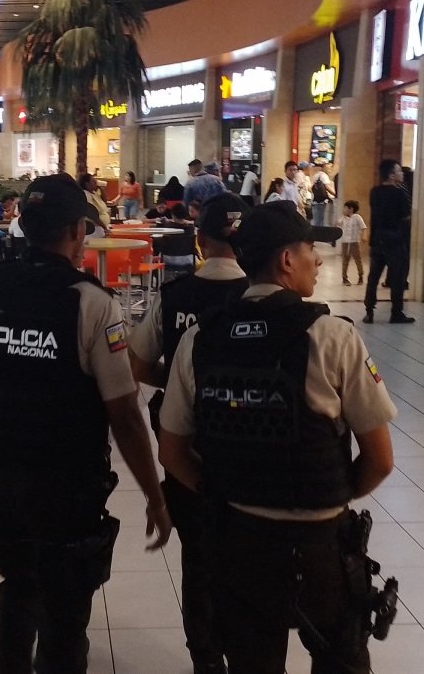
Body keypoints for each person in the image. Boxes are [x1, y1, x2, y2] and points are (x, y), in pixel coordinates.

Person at [0, 173, 171, 673]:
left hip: (0, 486)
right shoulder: (93, 303)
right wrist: (154, 494)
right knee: (65, 613)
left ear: (23, 226)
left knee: (17, 591)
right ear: (78, 230)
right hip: (68, 491)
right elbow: (123, 413)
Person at [158, 202, 397, 673]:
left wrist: (224, 490)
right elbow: (380, 460)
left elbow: (172, 450)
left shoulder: (201, 339)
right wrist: (327, 489)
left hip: (241, 546)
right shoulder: (332, 337)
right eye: (311, 249)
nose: (319, 259)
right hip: (321, 550)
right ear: (287, 260)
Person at [128, 193, 250, 674]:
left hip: (184, 446)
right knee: (247, 555)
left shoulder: (176, 297)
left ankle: (206, 660)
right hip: (248, 446)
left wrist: (178, 383)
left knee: (197, 559)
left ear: (199, 241)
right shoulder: (262, 297)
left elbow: (136, 365)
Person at [364, 160, 415, 324]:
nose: (402, 174)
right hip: (395, 241)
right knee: (398, 279)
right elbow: (406, 216)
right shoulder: (400, 193)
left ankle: (369, 311)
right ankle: (396, 313)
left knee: (373, 278)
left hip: (377, 240)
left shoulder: (374, 192)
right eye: (399, 171)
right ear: (392, 175)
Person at [339, 200, 366, 286]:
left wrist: (364, 236)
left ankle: (361, 276)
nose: (343, 210)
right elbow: (337, 224)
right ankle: (344, 278)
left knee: (358, 260)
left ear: (351, 209)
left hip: (355, 242)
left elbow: (363, 227)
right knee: (345, 260)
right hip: (345, 242)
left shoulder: (357, 217)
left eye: (345, 208)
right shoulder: (343, 218)